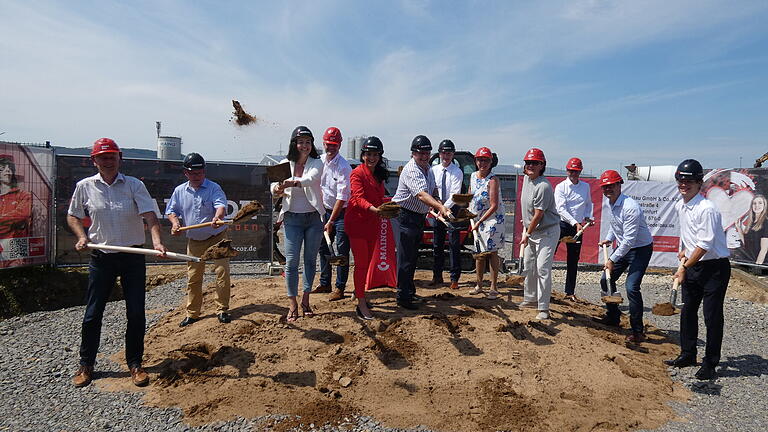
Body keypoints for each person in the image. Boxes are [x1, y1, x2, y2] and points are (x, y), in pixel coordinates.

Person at [66, 138, 167, 388]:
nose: (108, 161)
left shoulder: (134, 185)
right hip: (101, 258)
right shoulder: (84, 186)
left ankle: (135, 364)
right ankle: (86, 364)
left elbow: (150, 217)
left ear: (119, 158)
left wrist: (157, 243)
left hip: (132, 256)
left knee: (135, 313)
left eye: (112, 156)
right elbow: (72, 215)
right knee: (92, 314)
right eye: (103, 157)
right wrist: (82, 236)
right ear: (94, 160)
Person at [665, 159, 731, 380]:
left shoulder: (707, 209)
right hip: (693, 264)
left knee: (711, 316)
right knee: (688, 311)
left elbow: (705, 245)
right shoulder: (680, 205)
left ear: (699, 183)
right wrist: (683, 251)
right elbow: (690, 236)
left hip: (714, 268)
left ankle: (710, 363)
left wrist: (684, 267)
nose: (684, 184)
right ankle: (688, 354)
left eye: (690, 180)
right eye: (681, 180)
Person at [166, 152, 232, 327]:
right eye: (192, 173)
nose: (196, 177)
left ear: (204, 171)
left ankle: (222, 309)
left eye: (200, 173)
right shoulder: (179, 191)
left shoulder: (213, 188)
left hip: (217, 237)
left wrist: (218, 217)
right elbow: (171, 211)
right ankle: (193, 313)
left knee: (221, 272)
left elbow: (220, 206)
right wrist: (175, 223)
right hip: (195, 240)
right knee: (194, 277)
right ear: (185, 173)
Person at [392, 135, 452, 310]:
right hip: (405, 215)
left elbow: (432, 191)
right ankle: (403, 297)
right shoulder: (412, 169)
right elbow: (421, 194)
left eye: (427, 152)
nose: (424, 156)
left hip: (418, 216)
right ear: (413, 154)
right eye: (421, 153)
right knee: (405, 258)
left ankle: (409, 291)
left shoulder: (428, 169)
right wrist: (440, 207)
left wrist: (438, 202)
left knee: (412, 257)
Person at [270, 126, 324, 322]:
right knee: (292, 262)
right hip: (292, 218)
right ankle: (292, 304)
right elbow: (274, 184)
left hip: (313, 218)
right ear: (294, 143)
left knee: (310, 261)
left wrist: (291, 183)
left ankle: (306, 300)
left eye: (308, 142)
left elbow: (311, 179)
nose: (304, 146)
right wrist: (277, 188)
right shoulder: (285, 163)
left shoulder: (317, 162)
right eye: (301, 142)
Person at [596, 169, 653, 343]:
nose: (608, 189)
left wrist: (612, 259)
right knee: (606, 280)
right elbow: (615, 226)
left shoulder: (630, 207)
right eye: (605, 187)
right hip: (625, 247)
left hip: (640, 249)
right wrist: (608, 238)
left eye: (612, 185)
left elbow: (629, 239)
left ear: (619, 185)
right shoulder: (611, 203)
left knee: (631, 287)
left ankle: (638, 331)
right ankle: (613, 317)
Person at [347, 136, 389, 320]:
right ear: (363, 155)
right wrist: (375, 210)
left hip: (373, 223)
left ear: (380, 156)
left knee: (367, 263)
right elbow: (357, 198)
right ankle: (361, 302)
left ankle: (359, 292)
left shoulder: (378, 175)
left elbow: (380, 198)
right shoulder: (357, 173)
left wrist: (389, 206)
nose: (371, 158)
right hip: (357, 224)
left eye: (375, 154)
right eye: (368, 154)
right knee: (361, 264)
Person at [518, 148, 560, 320]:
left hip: (547, 232)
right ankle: (530, 298)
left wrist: (526, 234)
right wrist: (526, 227)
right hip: (532, 230)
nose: (531, 166)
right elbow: (527, 209)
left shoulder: (543, 186)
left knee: (542, 268)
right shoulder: (527, 180)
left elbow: (538, 214)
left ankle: (543, 307)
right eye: (528, 162)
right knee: (528, 265)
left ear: (542, 165)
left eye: (535, 163)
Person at [314, 127, 352, 301]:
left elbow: (342, 198)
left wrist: (331, 221)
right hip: (324, 210)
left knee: (341, 250)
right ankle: (325, 282)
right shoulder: (319, 161)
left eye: (334, 145)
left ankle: (340, 287)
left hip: (342, 213)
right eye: (328, 144)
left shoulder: (344, 167)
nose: (331, 148)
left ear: (340, 145)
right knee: (323, 248)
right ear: (323, 143)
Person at [467, 147, 506, 299]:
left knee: (490, 252)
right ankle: (479, 284)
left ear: (491, 162)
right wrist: (469, 214)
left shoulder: (493, 180)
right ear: (475, 161)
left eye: (486, 160)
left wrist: (480, 221)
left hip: (492, 220)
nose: (482, 163)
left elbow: (494, 205)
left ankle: (493, 287)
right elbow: (470, 195)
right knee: (478, 252)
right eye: (480, 160)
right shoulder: (472, 176)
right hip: (477, 218)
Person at [554, 157, 594, 300]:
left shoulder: (585, 187)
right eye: (571, 171)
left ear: (580, 171)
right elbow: (561, 209)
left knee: (573, 260)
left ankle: (569, 292)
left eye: (576, 171)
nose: (573, 173)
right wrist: (575, 223)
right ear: (567, 170)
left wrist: (588, 216)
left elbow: (588, 204)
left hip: (578, 228)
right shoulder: (561, 187)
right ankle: (542, 288)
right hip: (562, 225)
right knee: (549, 255)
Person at [429, 139, 464, 289]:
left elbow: (455, 193)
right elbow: (431, 188)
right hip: (437, 209)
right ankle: (437, 276)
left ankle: (454, 278)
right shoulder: (433, 170)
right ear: (439, 154)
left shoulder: (457, 172)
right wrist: (437, 206)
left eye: (449, 153)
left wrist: (444, 209)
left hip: (452, 210)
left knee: (454, 244)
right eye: (443, 152)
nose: (446, 156)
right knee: (437, 244)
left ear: (453, 154)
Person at [735, 194, 768, 265]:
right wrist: (738, 227)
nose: (757, 206)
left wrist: (757, 267)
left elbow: (764, 250)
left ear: (764, 205)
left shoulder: (766, 223)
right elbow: (746, 243)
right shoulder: (751, 222)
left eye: (760, 203)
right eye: (754, 203)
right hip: (750, 261)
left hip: (761, 264)